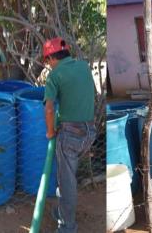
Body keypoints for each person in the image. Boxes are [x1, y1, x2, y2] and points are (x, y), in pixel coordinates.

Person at [43, 37, 96, 233]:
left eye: (47, 61)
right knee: (67, 176)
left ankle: (67, 227)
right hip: (89, 132)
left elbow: (49, 109)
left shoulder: (55, 75)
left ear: (51, 58)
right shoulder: (83, 66)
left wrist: (50, 132)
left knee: (66, 183)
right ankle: (62, 212)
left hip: (70, 135)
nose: (48, 65)